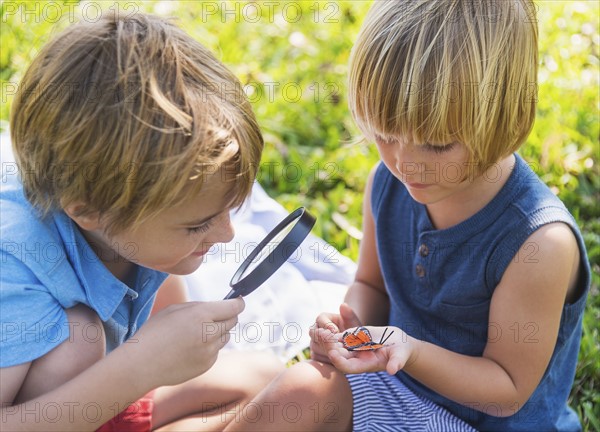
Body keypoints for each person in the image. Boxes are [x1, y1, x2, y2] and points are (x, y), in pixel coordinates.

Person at [227, 1, 591, 431]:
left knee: (296, 392)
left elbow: (507, 390)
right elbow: (369, 285)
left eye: (436, 145)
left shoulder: (538, 243)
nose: (405, 163)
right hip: (395, 390)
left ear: (508, 117)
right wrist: (352, 330)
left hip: (475, 422)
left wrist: (409, 351)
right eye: (384, 135)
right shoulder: (388, 184)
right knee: (251, 379)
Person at [0, 12, 284, 431]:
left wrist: (173, 347)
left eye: (229, 209)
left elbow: (172, 322)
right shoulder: (16, 277)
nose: (227, 234)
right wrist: (138, 368)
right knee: (78, 341)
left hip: (96, 401)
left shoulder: (132, 238)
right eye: (196, 225)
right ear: (88, 210)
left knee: (268, 379)